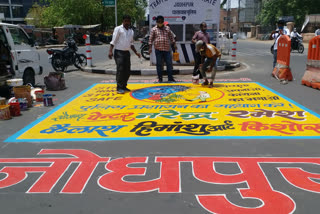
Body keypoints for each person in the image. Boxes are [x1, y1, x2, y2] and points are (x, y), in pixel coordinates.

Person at [108, 15, 141, 94]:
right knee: (120, 69)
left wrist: (136, 52)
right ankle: (119, 87)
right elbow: (113, 41)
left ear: (130, 22)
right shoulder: (118, 29)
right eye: (125, 21)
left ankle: (124, 86)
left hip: (127, 52)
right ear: (123, 21)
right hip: (119, 52)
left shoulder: (131, 31)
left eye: (128, 21)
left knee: (127, 71)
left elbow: (131, 43)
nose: (127, 23)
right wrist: (110, 51)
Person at [149, 15, 177, 83]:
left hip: (167, 50)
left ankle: (170, 78)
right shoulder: (154, 29)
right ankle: (160, 79)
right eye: (159, 21)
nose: (160, 22)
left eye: (161, 21)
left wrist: (174, 44)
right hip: (158, 50)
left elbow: (171, 38)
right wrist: (150, 48)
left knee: (169, 64)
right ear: (156, 22)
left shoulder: (167, 28)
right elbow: (150, 40)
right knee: (159, 65)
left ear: (163, 21)